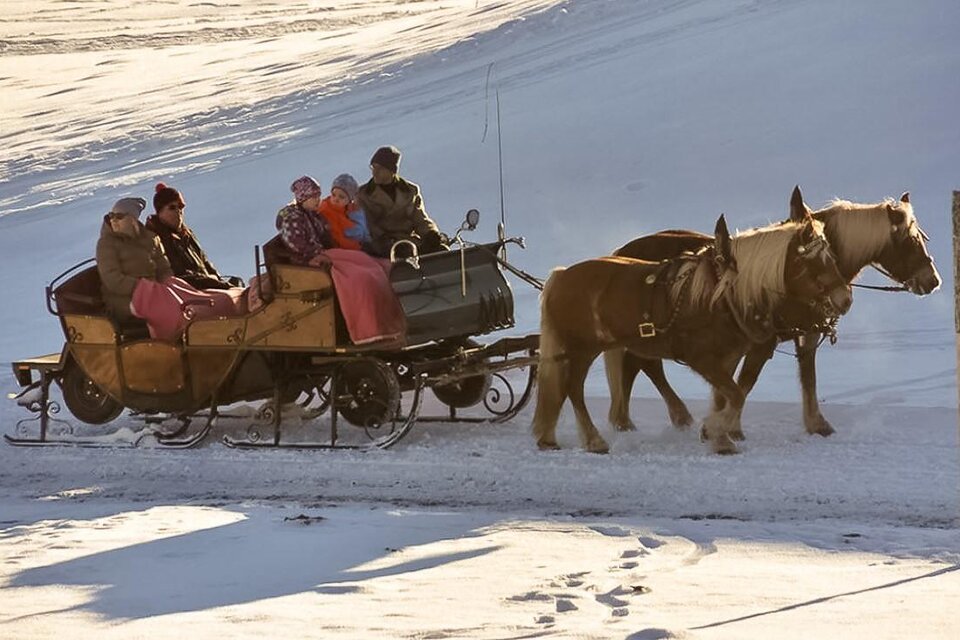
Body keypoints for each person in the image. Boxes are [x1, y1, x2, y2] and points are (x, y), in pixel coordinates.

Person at [145, 182, 243, 289]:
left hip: (206, 290)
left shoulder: (186, 234)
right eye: (172, 207)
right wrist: (218, 284)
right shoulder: (155, 239)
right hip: (185, 296)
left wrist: (220, 281)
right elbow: (179, 277)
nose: (178, 211)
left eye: (181, 207)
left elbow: (205, 263)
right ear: (160, 212)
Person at [356, 145, 447, 258]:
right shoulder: (364, 194)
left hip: (407, 239)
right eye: (373, 167)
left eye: (380, 168)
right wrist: (389, 241)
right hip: (381, 244)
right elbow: (369, 225)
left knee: (442, 251)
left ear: (391, 170)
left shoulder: (410, 191)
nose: (375, 172)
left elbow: (420, 218)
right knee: (405, 256)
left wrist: (431, 233)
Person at [96, 197, 173, 321]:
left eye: (119, 216)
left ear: (132, 220)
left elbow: (164, 268)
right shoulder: (107, 243)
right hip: (124, 300)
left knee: (187, 304)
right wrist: (145, 288)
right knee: (169, 312)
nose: (114, 220)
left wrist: (168, 285)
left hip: (155, 293)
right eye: (111, 216)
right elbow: (113, 280)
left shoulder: (151, 239)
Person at [276, 175, 332, 266]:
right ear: (303, 198)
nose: (318, 200)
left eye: (319, 196)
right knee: (348, 269)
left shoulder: (310, 212)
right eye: (314, 197)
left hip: (319, 253)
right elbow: (298, 245)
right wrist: (315, 254)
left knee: (355, 258)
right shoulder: (292, 218)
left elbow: (321, 230)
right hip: (304, 261)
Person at [318, 173, 371, 251]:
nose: (336, 199)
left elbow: (363, 231)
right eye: (334, 195)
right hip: (333, 248)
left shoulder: (351, 212)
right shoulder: (325, 209)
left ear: (349, 200)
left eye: (341, 197)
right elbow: (337, 237)